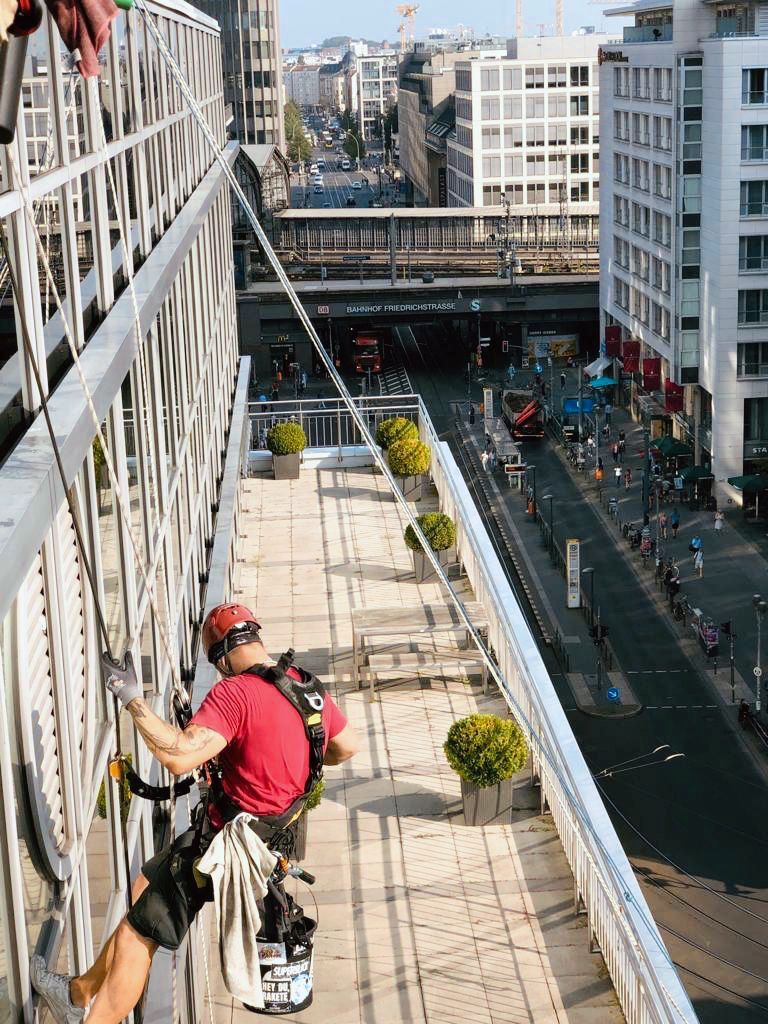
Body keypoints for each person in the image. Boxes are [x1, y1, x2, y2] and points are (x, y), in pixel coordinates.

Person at [31, 606, 359, 1024]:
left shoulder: (236, 693)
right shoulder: (305, 687)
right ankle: (76, 993)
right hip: (270, 836)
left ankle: (87, 1015)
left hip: (225, 847)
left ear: (221, 657)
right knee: (144, 887)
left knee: (137, 937)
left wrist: (132, 699)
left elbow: (178, 756)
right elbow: (345, 747)